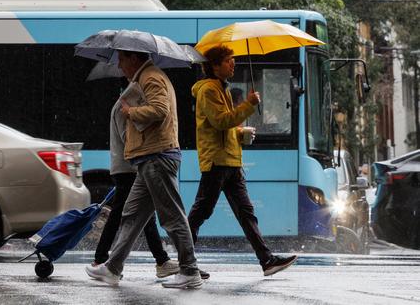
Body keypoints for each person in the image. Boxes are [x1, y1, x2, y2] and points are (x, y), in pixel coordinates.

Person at [86, 50, 203, 289]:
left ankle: (190, 270)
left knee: (171, 216)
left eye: (122, 60)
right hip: (148, 158)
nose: (120, 66)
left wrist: (131, 112)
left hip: (157, 157)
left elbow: (160, 110)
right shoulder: (145, 77)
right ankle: (112, 268)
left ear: (134, 58)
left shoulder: (151, 77)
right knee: (132, 215)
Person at [188, 45, 297, 276]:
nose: (233, 64)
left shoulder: (222, 88)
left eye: (234, 60)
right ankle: (185, 263)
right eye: (229, 60)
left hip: (231, 161)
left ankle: (267, 260)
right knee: (201, 212)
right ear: (215, 66)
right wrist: (248, 105)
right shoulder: (208, 90)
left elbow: (225, 127)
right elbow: (220, 121)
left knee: (246, 212)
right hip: (216, 162)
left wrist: (239, 133)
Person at [90, 81, 179, 279]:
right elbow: (127, 138)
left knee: (143, 216)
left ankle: (160, 260)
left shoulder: (123, 107)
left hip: (128, 168)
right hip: (127, 168)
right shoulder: (122, 110)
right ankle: (102, 258)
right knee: (129, 216)